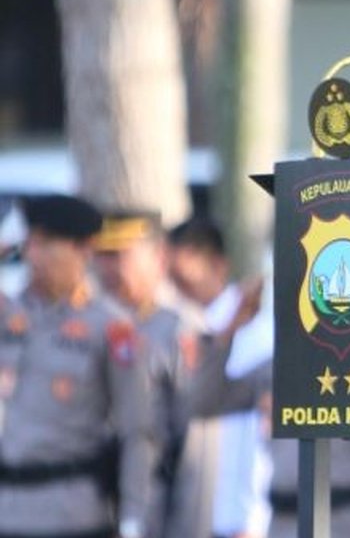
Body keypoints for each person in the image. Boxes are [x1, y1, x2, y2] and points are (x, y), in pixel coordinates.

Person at [0, 195, 155, 538]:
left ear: (82, 250)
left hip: (71, 514)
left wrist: (132, 519)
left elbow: (137, 431)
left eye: (47, 244)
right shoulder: (10, 315)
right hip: (7, 512)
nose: (33, 255)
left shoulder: (111, 328)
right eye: (30, 242)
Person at [92, 208, 217, 538]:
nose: (107, 268)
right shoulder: (98, 325)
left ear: (159, 257)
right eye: (102, 255)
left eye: (119, 255)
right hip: (93, 505)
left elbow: (197, 450)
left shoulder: (180, 329)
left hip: (154, 508)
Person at [168, 216, 274, 538]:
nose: (175, 283)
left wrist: (248, 519)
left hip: (235, 516)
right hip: (194, 508)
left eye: (183, 274)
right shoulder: (186, 323)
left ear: (217, 265)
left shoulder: (251, 327)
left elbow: (253, 433)